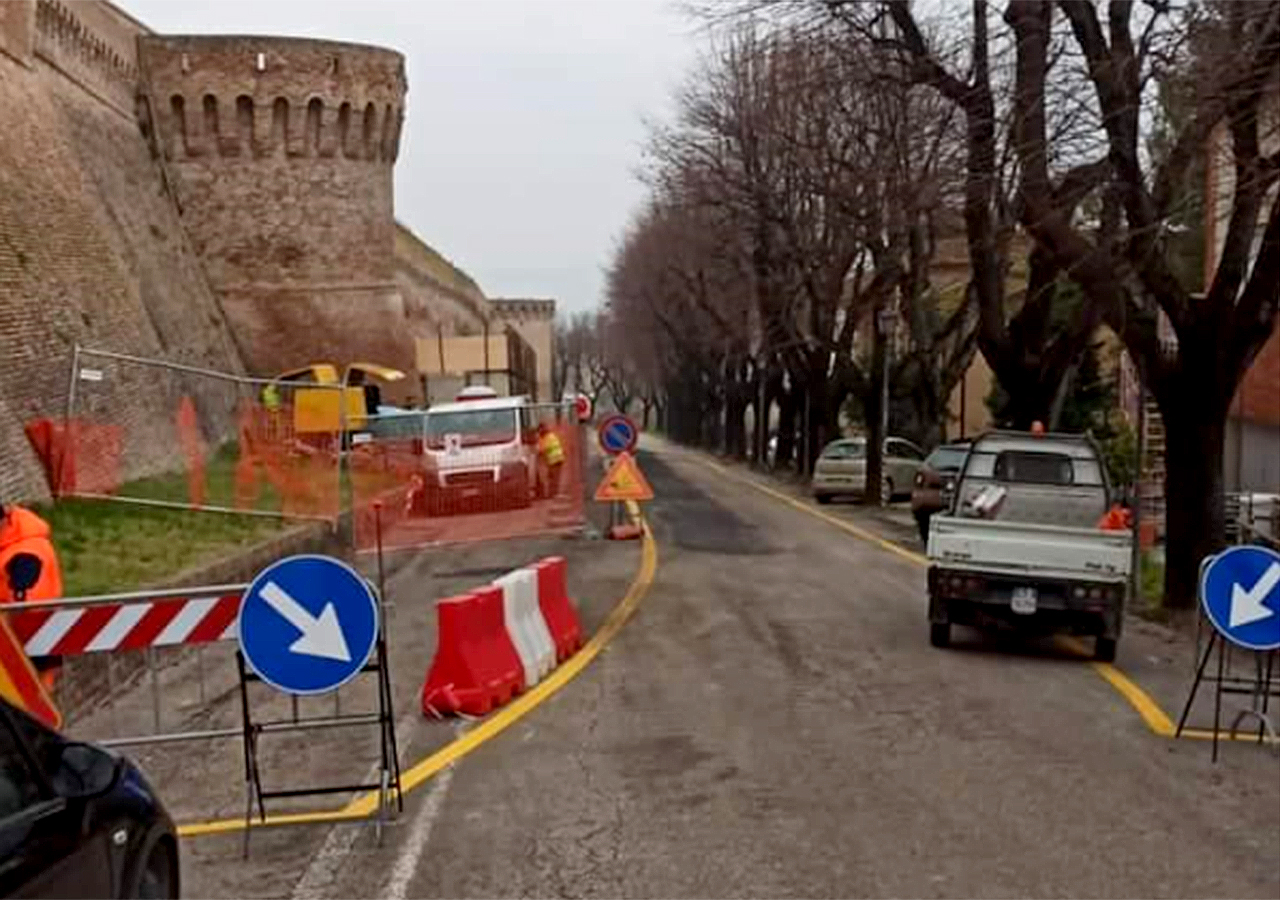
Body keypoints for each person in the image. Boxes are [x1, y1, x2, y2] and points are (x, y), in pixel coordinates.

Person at [0, 502, 64, 690]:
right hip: (28, 638)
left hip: (29, 641)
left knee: (34, 703)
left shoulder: (25, 554)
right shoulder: (11, 544)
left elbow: (23, 608)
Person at [536, 422, 565, 499]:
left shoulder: (545, 438)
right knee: (555, 478)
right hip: (559, 458)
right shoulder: (552, 435)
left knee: (552, 478)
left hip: (553, 460)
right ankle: (554, 493)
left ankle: (552, 494)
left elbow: (541, 450)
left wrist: (538, 454)